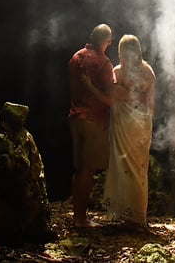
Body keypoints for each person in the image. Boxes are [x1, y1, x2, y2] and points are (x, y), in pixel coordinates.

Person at [82, 33, 156, 230]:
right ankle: (137, 215)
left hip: (125, 125)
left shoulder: (118, 72)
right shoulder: (149, 72)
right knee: (139, 169)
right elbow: (150, 105)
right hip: (143, 125)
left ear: (123, 52)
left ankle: (130, 215)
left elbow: (110, 100)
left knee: (126, 167)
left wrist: (90, 87)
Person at [67, 23, 115, 228]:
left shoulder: (76, 57)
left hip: (75, 117)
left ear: (90, 36)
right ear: (108, 42)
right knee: (88, 170)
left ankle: (77, 214)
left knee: (79, 169)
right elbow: (110, 100)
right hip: (93, 120)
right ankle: (80, 219)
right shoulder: (104, 63)